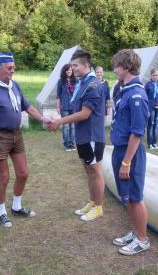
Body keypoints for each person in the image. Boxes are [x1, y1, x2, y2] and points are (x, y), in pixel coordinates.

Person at [0, 52, 49, 228]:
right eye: (9, 68)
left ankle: (16, 207)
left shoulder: (14, 85)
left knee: (23, 173)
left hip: (17, 135)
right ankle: (1, 212)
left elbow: (28, 106)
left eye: (14, 68)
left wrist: (43, 119)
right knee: (3, 177)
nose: (13, 71)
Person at [48, 49, 106, 222]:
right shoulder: (82, 83)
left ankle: (99, 207)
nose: (72, 69)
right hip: (82, 136)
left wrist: (60, 121)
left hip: (92, 136)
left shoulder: (93, 85)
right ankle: (92, 201)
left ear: (86, 65)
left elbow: (84, 114)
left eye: (75, 65)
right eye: (71, 66)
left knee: (95, 171)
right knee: (88, 170)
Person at [111, 49, 150, 255]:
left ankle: (142, 240)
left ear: (126, 67)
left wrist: (126, 162)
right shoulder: (124, 89)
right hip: (120, 150)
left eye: (116, 65)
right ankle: (135, 232)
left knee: (135, 197)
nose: (114, 69)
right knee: (126, 196)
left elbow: (136, 133)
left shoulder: (137, 95)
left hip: (130, 153)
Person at [56, 64, 76, 151]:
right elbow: (58, 95)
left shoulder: (75, 81)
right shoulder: (60, 81)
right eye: (68, 70)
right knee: (66, 126)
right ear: (65, 71)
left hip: (73, 106)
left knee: (73, 126)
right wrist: (57, 106)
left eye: (71, 70)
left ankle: (72, 143)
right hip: (64, 106)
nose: (69, 71)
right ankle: (66, 144)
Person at [145, 69, 158, 149]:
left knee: (156, 125)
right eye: (153, 75)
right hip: (151, 107)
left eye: (156, 75)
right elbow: (145, 98)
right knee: (151, 125)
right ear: (151, 75)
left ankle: (155, 143)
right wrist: (147, 110)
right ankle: (150, 143)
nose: (155, 76)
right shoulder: (148, 85)